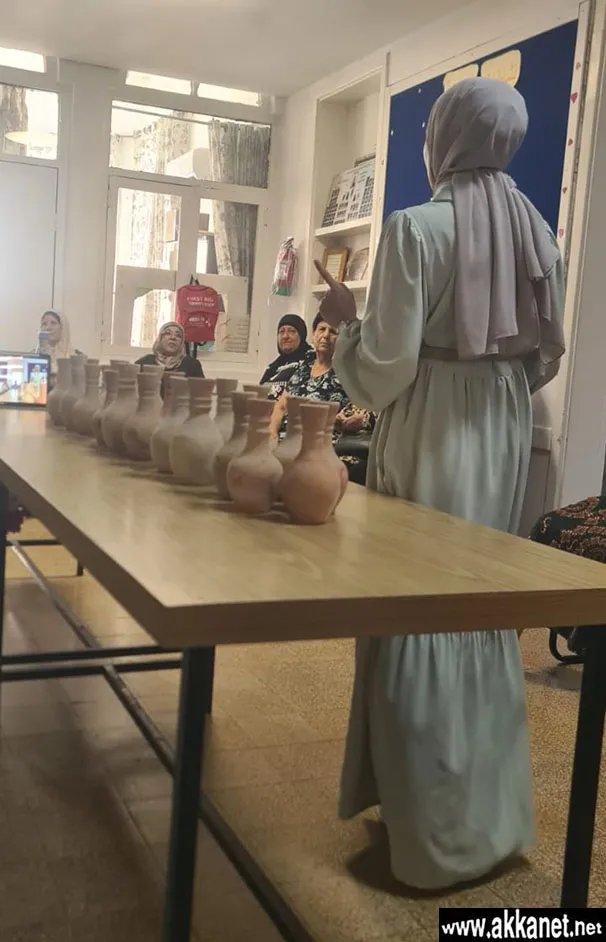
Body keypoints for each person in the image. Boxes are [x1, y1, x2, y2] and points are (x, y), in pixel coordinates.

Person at [315, 77, 565, 891]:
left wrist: (345, 321)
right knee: (478, 610)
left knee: (412, 606)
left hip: (431, 424)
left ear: (447, 137)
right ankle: (486, 824)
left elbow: (383, 370)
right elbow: (544, 355)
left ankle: (429, 833)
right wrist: (488, 386)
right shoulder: (536, 230)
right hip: (499, 427)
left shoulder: (415, 228)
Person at [269, 313, 373, 477]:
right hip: (286, 441)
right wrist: (272, 434)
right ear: (313, 334)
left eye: (333, 332)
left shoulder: (349, 373)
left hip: (320, 445)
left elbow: (365, 407)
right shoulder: (303, 368)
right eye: (321, 329)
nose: (325, 335)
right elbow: (281, 406)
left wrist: (349, 419)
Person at [136, 322, 204, 391]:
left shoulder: (192, 365)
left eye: (178, 335)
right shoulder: (144, 363)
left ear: (182, 342)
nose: (173, 337)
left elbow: (201, 392)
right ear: (160, 339)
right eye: (168, 333)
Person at [261, 314, 313, 400]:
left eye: (291, 331)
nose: (285, 336)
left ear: (301, 335)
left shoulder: (309, 361)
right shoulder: (273, 367)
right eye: (281, 332)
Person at [36, 310, 72, 381]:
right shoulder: (33, 355)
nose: (48, 328)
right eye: (44, 324)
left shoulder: (75, 357)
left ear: (62, 328)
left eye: (53, 323)